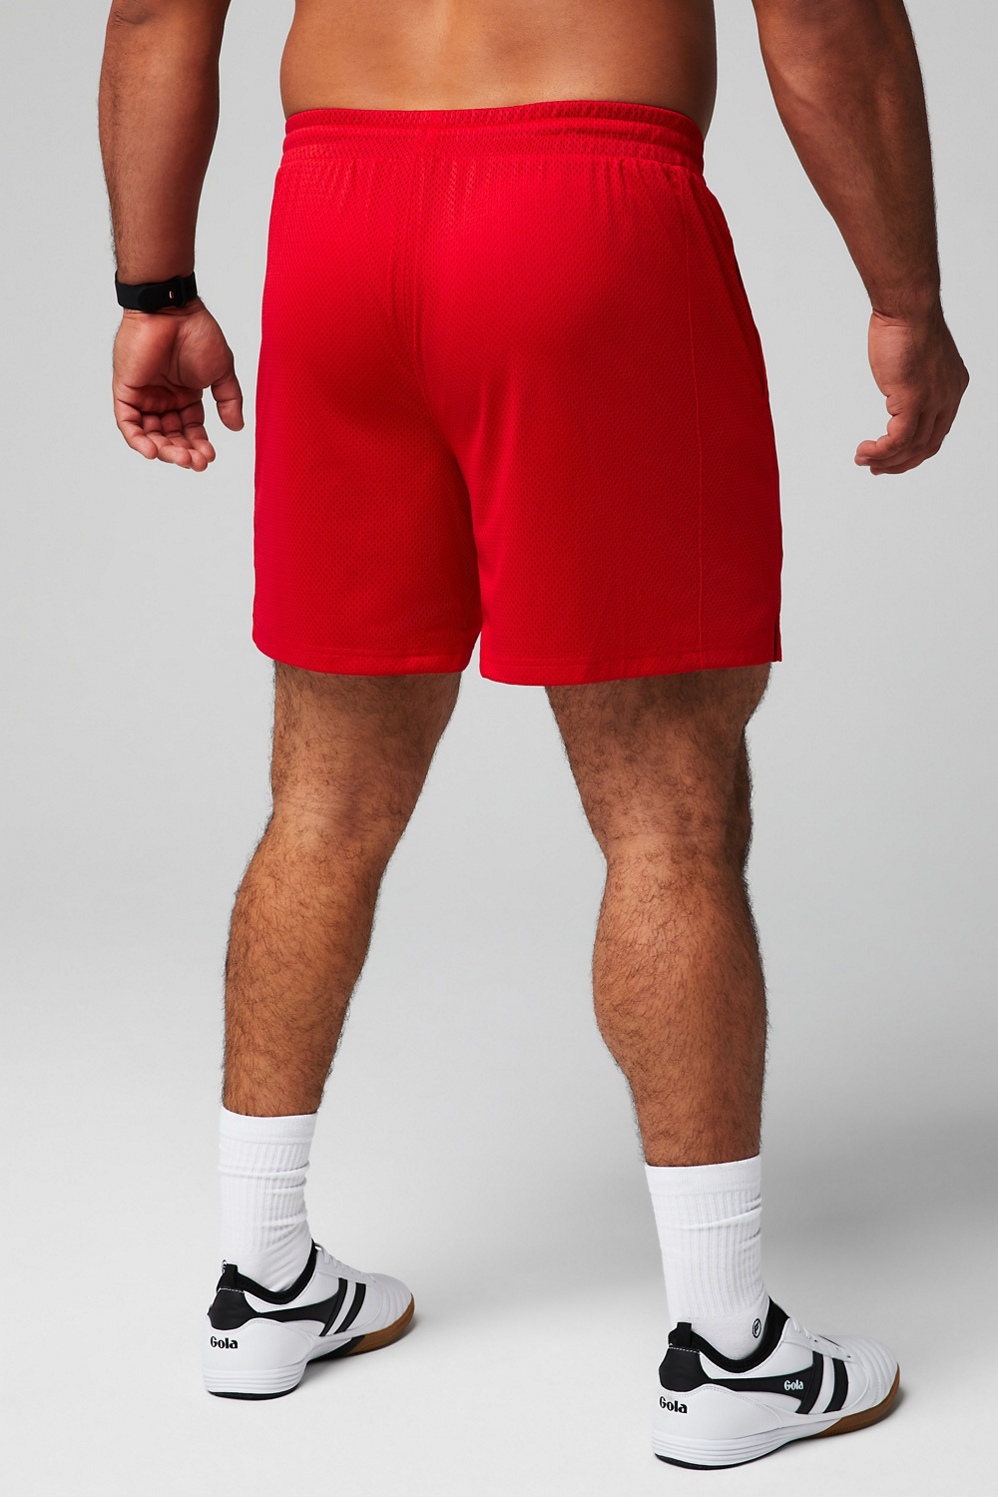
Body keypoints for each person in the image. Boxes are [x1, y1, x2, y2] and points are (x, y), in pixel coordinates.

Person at [98, 0, 968, 1469]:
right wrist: (905, 295)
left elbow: (151, 13)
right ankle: (730, 1351)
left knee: (322, 799)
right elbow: (827, 18)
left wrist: (153, 284)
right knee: (668, 814)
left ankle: (261, 1283)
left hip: (337, 216)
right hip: (585, 202)